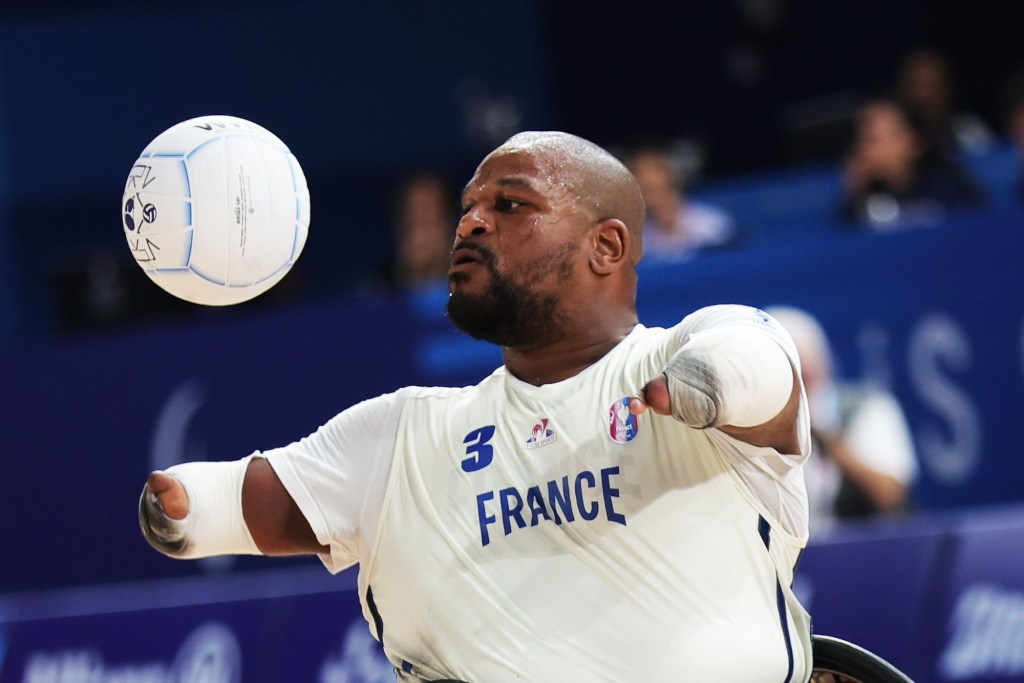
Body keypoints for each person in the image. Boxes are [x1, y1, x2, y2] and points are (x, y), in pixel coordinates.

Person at [139, 131, 813, 682]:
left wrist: (698, 384)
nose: (471, 221)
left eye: (511, 205)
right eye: (467, 206)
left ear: (606, 246)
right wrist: (174, 504)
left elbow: (752, 367)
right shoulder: (402, 434)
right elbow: (215, 506)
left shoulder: (685, 350)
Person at [765, 307, 917, 534]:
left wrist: (823, 437)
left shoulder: (868, 409)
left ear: (817, 366)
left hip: (860, 553)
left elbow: (890, 493)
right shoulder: (753, 428)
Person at [840, 97, 984, 229]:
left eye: (873, 139)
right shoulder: (861, 198)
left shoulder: (950, 189)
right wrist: (855, 195)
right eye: (860, 139)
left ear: (915, 142)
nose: (862, 149)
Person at [625, 147, 739, 262]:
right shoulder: (635, 239)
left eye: (654, 189)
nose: (652, 198)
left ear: (672, 183)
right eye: (644, 191)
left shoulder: (712, 224)